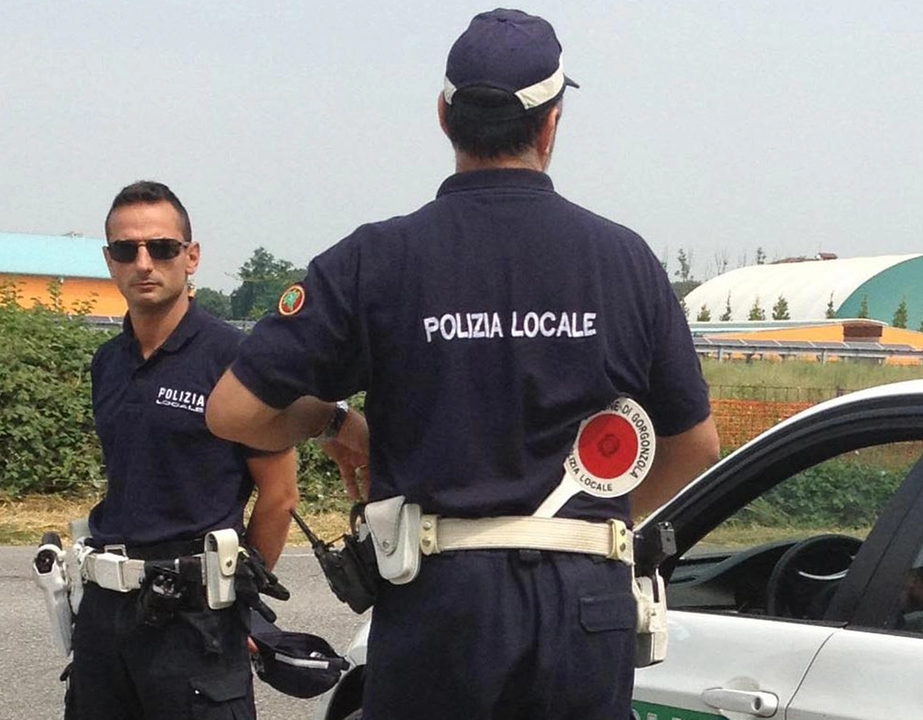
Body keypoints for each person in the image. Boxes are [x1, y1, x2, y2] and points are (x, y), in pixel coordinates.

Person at [205, 8, 719, 719]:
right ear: (552, 124)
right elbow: (695, 444)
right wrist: (588, 524)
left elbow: (234, 413)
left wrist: (334, 420)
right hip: (586, 607)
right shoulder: (625, 260)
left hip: (439, 601)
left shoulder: (374, 259)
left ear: (444, 117)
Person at [66, 180, 299, 719]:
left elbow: (280, 495)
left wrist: (237, 601)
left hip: (194, 619)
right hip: (106, 616)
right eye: (127, 250)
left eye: (163, 248)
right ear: (110, 261)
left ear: (191, 257)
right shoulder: (108, 362)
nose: (144, 263)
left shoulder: (236, 361)